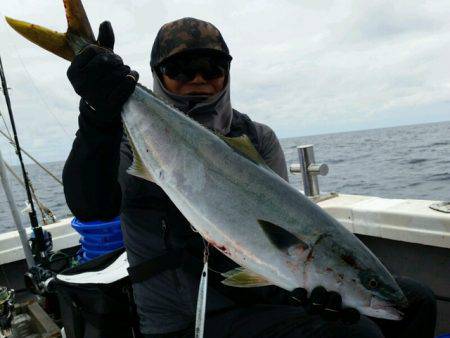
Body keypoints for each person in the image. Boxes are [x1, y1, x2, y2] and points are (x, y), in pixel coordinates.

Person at [63, 18, 437, 338]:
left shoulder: (256, 137)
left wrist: (301, 285)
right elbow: (91, 206)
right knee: (355, 334)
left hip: (263, 295)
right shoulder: (126, 138)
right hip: (185, 317)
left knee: (415, 302)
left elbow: (286, 226)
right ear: (158, 74)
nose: (198, 79)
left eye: (211, 68)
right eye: (179, 69)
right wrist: (97, 118)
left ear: (227, 73)